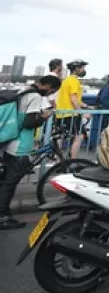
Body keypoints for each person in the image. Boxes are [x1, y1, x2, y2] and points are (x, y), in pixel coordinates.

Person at [0, 76, 61, 230]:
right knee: (10, 182)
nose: (50, 94)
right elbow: (29, 122)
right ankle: (2, 216)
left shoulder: (24, 91)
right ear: (47, 86)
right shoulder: (35, 96)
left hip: (9, 142)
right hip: (20, 146)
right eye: (52, 91)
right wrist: (44, 117)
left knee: (6, 180)